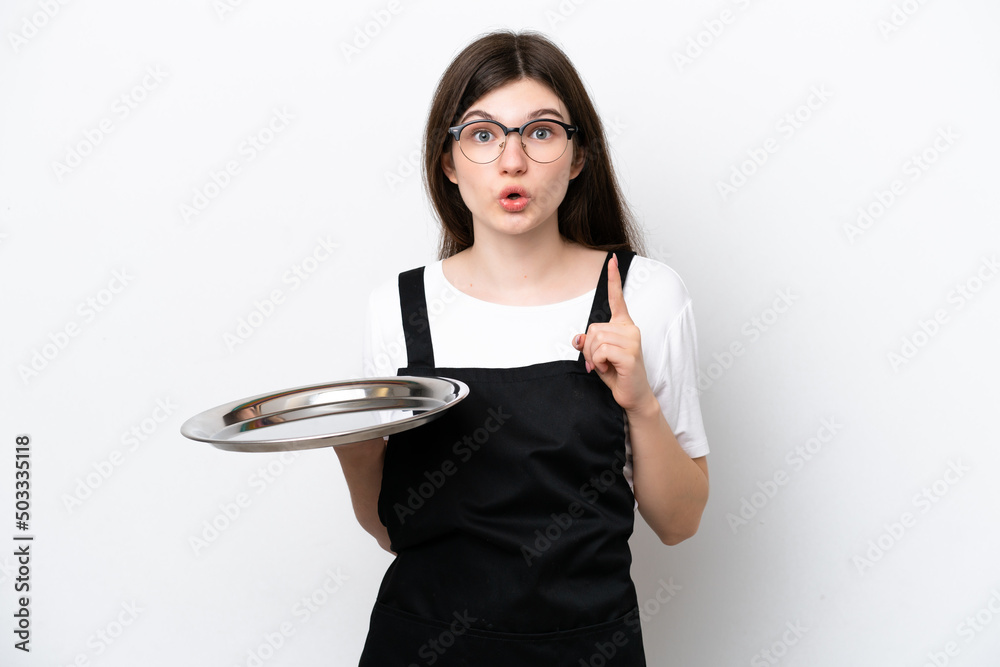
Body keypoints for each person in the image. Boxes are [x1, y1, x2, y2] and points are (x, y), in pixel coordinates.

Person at [335, 29, 710, 666]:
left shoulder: (645, 295)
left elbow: (680, 524)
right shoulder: (399, 308)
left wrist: (641, 402)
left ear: (578, 155)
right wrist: (353, 449)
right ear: (448, 162)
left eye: (540, 132)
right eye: (483, 135)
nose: (512, 161)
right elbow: (395, 533)